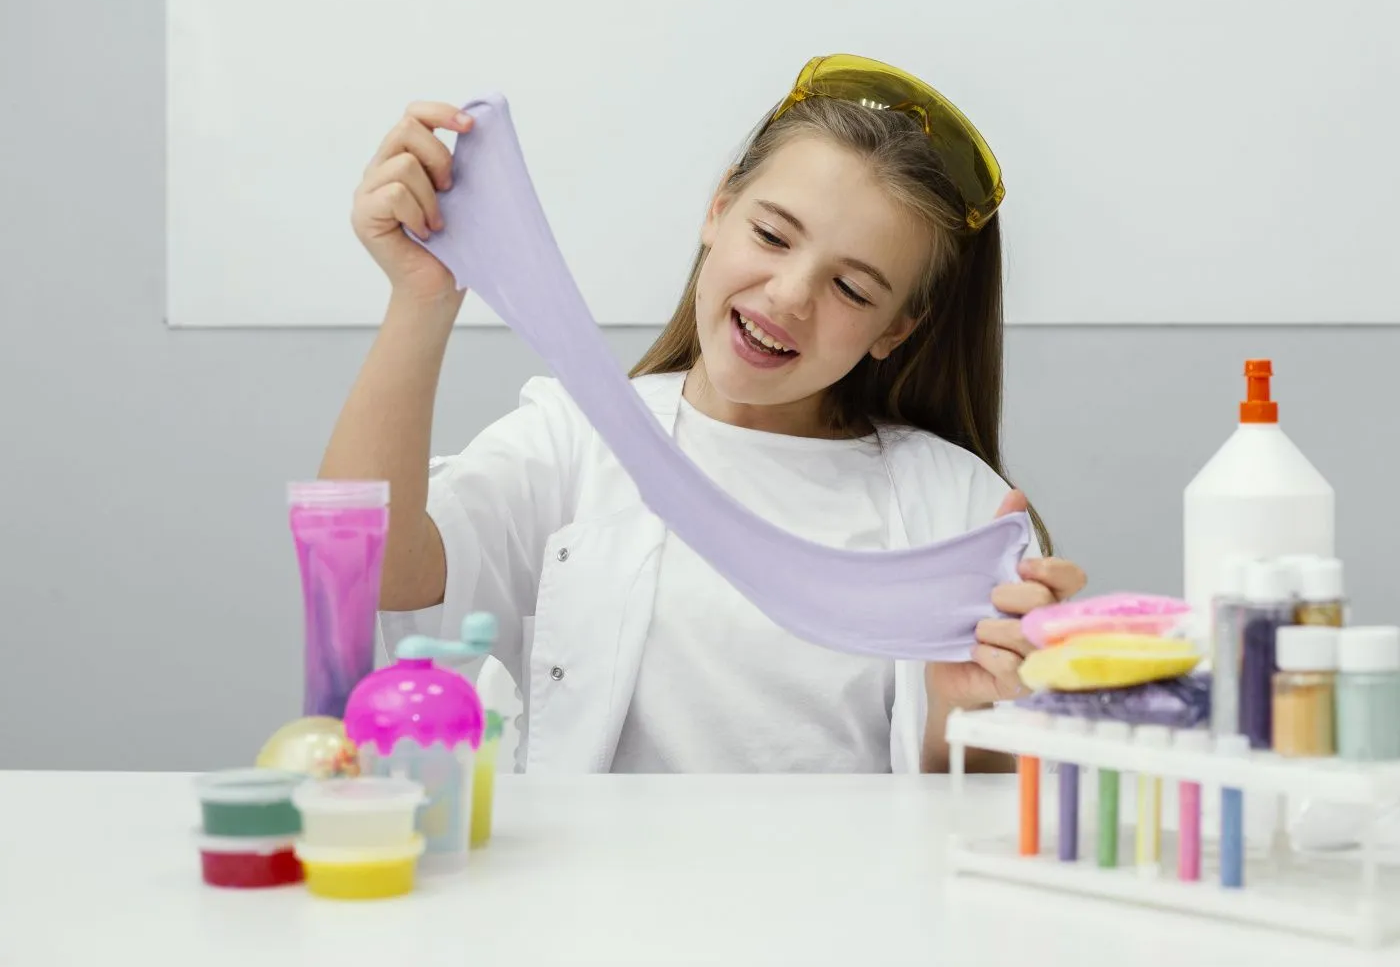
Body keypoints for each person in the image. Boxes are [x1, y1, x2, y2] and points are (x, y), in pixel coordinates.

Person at [321, 54, 1087, 775]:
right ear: (718, 209)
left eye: (852, 289)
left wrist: (974, 717)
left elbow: (973, 807)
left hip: (850, 910)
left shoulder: (959, 509)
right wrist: (419, 303)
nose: (789, 295)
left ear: (896, 328)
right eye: (771, 235)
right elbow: (368, 572)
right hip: (593, 910)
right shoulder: (577, 439)